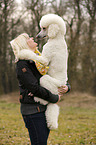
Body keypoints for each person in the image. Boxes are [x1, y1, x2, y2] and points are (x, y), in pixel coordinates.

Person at [10, 34, 71, 145]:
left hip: (43, 109)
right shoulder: (22, 64)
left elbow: (55, 74)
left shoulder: (39, 61)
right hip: (33, 111)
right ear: (24, 44)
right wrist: (54, 98)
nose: (32, 38)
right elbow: (34, 88)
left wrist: (67, 87)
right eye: (28, 38)